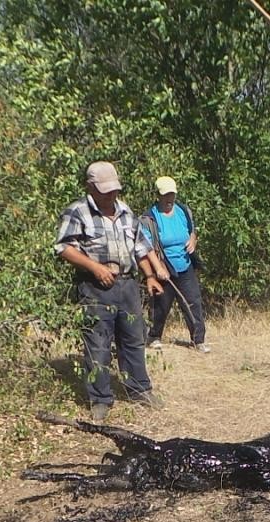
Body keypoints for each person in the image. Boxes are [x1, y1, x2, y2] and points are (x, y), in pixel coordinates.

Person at [54, 161, 165, 422]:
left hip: (127, 285)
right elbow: (63, 248)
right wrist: (95, 268)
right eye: (105, 190)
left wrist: (150, 276)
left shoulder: (125, 211)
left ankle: (139, 389)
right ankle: (100, 399)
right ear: (90, 187)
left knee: (134, 338)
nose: (111, 194)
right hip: (95, 288)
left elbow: (139, 246)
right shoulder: (77, 212)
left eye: (113, 189)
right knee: (98, 343)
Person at [139, 176, 210, 353]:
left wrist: (193, 240)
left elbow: (192, 231)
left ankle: (198, 340)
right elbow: (146, 247)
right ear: (158, 195)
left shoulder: (183, 211)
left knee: (193, 302)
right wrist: (158, 268)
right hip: (163, 265)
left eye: (172, 194)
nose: (169, 199)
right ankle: (154, 336)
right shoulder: (149, 218)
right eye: (165, 195)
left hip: (185, 264)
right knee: (161, 305)